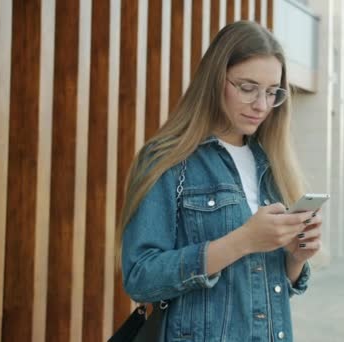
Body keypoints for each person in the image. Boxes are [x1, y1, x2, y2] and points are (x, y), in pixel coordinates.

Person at [115, 21, 322, 341]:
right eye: (247, 87)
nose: (262, 105)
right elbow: (140, 278)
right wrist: (243, 240)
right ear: (214, 80)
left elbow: (261, 292)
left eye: (271, 92)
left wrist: (294, 258)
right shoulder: (168, 160)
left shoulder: (271, 164)